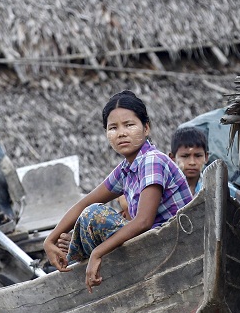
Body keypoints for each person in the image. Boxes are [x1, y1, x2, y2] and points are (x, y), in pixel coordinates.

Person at [44, 90, 193, 293]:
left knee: (94, 215)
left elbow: (143, 221)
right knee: (87, 215)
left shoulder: (151, 160)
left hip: (174, 246)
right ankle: (75, 256)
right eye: (113, 128)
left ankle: (76, 258)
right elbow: (83, 202)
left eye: (129, 125)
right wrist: (50, 239)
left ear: (146, 127)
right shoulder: (126, 169)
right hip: (156, 245)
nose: (121, 133)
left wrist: (97, 252)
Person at [169, 127, 240, 237]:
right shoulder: (168, 188)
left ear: (206, 157)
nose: (192, 162)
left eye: (198, 156)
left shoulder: (215, 185)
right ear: (172, 158)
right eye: (185, 156)